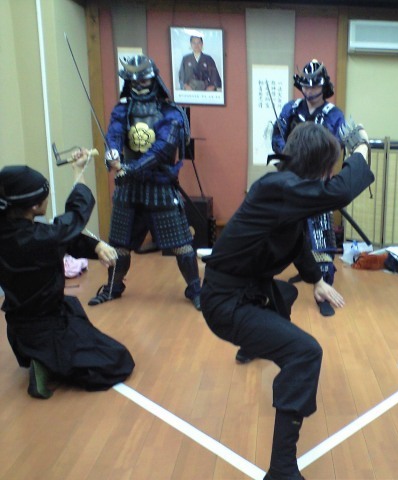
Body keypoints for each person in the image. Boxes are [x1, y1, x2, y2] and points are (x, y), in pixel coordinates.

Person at [201, 122, 373, 480]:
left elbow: (295, 240)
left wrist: (316, 281)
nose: (330, 175)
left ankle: (257, 343)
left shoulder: (286, 191)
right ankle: (281, 471)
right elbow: (341, 192)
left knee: (287, 295)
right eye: (329, 167)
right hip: (226, 301)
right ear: (318, 165)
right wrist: (362, 148)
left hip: (247, 291)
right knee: (304, 353)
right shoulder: (276, 188)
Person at [0, 152, 135, 399]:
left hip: (19, 327)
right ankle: (44, 361)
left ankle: (39, 354)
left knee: (73, 309)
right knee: (117, 360)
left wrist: (96, 246)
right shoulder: (38, 239)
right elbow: (74, 216)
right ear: (34, 205)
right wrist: (78, 171)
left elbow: (59, 239)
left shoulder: (16, 232)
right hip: (46, 329)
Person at [88, 55, 202, 310]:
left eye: (143, 81)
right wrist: (112, 155)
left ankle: (196, 290)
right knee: (120, 244)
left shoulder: (171, 113)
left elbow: (162, 150)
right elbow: (115, 135)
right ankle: (113, 287)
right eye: (134, 82)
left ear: (154, 80)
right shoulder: (122, 110)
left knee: (182, 245)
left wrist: (130, 169)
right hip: (129, 189)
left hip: (159, 185)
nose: (139, 86)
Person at [272, 59, 346, 317]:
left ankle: (323, 290)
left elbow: (335, 146)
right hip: (291, 182)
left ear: (324, 86)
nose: (309, 89)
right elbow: (278, 137)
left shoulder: (334, 115)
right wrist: (287, 155)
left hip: (318, 183)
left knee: (322, 239)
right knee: (288, 233)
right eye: (305, 85)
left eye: (314, 85)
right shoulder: (290, 109)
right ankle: (298, 272)